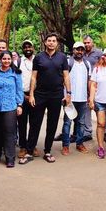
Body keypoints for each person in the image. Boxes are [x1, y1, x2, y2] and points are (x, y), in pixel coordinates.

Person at [24, 33, 71, 164]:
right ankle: (29, 151)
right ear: (45, 42)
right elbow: (33, 77)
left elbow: (66, 76)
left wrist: (69, 93)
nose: (51, 43)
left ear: (57, 43)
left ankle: (48, 151)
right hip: (40, 94)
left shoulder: (62, 58)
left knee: (52, 124)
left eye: (53, 41)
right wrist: (32, 94)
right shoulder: (39, 57)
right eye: (49, 41)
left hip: (56, 95)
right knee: (35, 123)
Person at [0, 51, 23, 167]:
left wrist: (20, 105)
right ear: (0, 60)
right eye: (4, 59)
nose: (6, 61)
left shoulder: (15, 73)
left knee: (9, 132)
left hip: (10, 107)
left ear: (11, 60)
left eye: (8, 59)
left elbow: (19, 90)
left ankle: (10, 158)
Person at [61, 42, 92, 155]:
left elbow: (89, 81)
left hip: (83, 99)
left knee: (81, 123)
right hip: (70, 98)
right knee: (67, 123)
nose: (79, 52)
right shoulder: (69, 62)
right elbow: (63, 79)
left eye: (81, 50)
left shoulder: (87, 63)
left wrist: (89, 96)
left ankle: (79, 143)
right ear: (73, 50)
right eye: (77, 49)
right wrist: (65, 95)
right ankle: (65, 145)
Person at [17, 39, 36, 162]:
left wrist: (33, 94)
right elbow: (16, 79)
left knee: (34, 123)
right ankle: (23, 147)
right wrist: (22, 95)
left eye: (29, 46)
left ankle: (32, 146)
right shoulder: (18, 61)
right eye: (25, 47)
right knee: (22, 123)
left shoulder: (38, 60)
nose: (27, 48)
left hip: (35, 95)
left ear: (33, 48)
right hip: (22, 95)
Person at [82, 35, 103, 141]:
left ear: (92, 43)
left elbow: (103, 66)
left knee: (99, 108)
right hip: (84, 85)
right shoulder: (81, 53)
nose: (86, 44)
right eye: (85, 43)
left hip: (97, 84)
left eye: (88, 42)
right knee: (87, 109)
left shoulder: (99, 53)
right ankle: (87, 132)